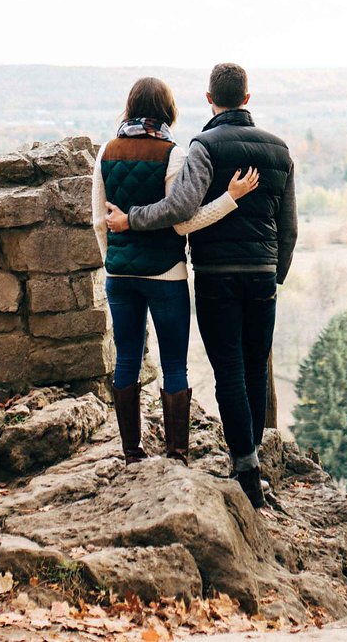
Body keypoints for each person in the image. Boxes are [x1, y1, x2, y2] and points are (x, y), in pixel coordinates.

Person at [107, 62, 295, 509]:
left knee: (229, 369)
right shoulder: (280, 150)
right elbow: (288, 229)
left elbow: (180, 210)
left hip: (214, 276)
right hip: (262, 275)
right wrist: (275, 274)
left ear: (209, 99)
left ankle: (246, 466)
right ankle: (248, 464)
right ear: (246, 99)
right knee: (253, 367)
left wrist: (129, 220)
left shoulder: (203, 146)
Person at [91, 76, 260, 463]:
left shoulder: (106, 152)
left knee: (127, 360)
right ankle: (177, 455)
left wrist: (113, 260)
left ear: (130, 106)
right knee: (173, 364)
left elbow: (99, 221)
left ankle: (132, 454)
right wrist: (228, 200)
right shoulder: (174, 154)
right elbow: (182, 222)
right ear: (168, 110)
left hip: (119, 276)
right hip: (167, 274)